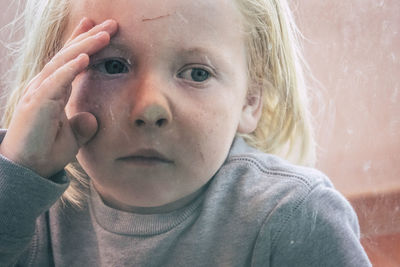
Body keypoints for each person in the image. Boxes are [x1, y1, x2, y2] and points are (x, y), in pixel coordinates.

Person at [0, 0, 371, 266]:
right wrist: (17, 177)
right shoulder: (27, 210)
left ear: (251, 100)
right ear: (52, 79)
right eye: (112, 65)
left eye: (196, 73)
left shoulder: (296, 216)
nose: (150, 109)